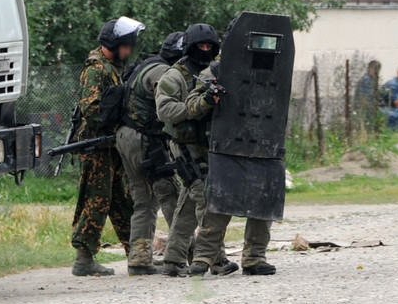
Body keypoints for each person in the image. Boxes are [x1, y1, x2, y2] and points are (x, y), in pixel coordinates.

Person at [155, 23, 238, 277]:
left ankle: (173, 259)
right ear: (190, 47)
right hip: (183, 145)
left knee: (189, 203)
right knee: (205, 198)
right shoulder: (174, 76)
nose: (205, 50)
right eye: (200, 46)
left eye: (209, 46)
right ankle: (216, 259)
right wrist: (197, 106)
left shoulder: (212, 72)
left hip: (207, 145)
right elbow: (164, 111)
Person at [185, 61, 278, 276]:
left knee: (263, 204)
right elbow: (191, 105)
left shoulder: (272, 67)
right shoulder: (217, 70)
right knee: (218, 205)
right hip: (227, 144)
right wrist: (209, 98)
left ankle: (254, 258)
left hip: (263, 144)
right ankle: (203, 258)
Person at [71, 17, 144, 277]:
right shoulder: (96, 69)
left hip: (111, 147)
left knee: (122, 202)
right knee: (97, 200)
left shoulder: (115, 68)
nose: (129, 51)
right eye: (126, 46)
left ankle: (137, 255)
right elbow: (90, 110)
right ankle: (83, 259)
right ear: (112, 44)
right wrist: (114, 123)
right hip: (96, 148)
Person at [116, 32, 185, 276]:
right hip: (145, 140)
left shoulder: (147, 65)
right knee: (170, 194)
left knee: (143, 200)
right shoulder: (162, 73)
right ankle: (182, 255)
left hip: (126, 137)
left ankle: (140, 258)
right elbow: (168, 106)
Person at [355, 60, 381, 129]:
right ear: (370, 69)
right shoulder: (366, 79)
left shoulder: (372, 79)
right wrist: (369, 107)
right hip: (365, 107)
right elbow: (363, 97)